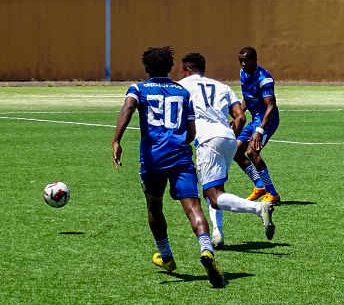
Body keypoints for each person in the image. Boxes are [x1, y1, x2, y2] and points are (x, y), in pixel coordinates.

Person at [112, 46, 225, 288]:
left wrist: (116, 140)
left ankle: (166, 257)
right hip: (180, 157)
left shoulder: (138, 89)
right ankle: (206, 249)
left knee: (154, 205)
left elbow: (128, 108)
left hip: (153, 159)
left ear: (146, 67)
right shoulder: (183, 92)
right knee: (193, 208)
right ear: (170, 67)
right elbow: (191, 132)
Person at [178, 53, 276, 248]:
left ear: (187, 69)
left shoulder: (181, 86)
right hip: (228, 139)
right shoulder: (223, 87)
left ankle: (259, 208)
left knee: (214, 195)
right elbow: (240, 117)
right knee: (214, 189)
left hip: (207, 140)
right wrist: (231, 135)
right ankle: (218, 234)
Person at [236, 47, 281, 205]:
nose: (242, 63)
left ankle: (272, 193)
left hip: (267, 121)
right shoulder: (243, 73)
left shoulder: (264, 79)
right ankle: (260, 186)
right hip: (255, 119)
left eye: (246, 60)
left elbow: (271, 106)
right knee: (235, 150)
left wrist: (260, 131)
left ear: (255, 59)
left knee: (252, 151)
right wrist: (238, 115)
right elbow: (247, 97)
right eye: (240, 60)